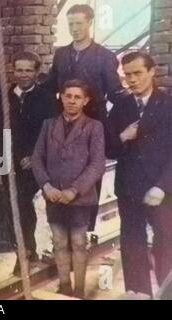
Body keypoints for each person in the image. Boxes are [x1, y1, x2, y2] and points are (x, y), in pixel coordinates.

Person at [42, 4, 125, 230]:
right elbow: (49, 86)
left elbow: (117, 93)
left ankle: (83, 232)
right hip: (64, 126)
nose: (75, 28)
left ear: (90, 22)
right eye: (70, 24)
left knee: (88, 179)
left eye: (79, 23)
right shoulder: (61, 54)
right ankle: (60, 232)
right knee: (61, 174)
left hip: (92, 126)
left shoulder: (105, 56)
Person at [105, 52, 172, 298]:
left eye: (137, 73)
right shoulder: (121, 106)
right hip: (129, 188)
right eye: (127, 75)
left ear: (152, 72)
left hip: (162, 190)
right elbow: (108, 148)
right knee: (132, 242)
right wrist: (122, 137)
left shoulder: (168, 104)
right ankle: (138, 293)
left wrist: (163, 186)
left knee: (166, 242)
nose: (132, 80)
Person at [32, 79, 106, 298]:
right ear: (61, 97)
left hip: (80, 198)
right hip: (54, 196)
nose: (72, 101)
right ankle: (64, 286)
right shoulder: (48, 125)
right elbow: (37, 158)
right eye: (68, 96)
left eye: (77, 97)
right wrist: (46, 186)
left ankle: (79, 291)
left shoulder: (94, 127)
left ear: (85, 100)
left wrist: (74, 190)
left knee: (79, 242)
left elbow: (97, 164)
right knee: (59, 241)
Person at [0, 51, 58, 276]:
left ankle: (37, 251)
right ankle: (24, 252)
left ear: (36, 72)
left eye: (28, 70)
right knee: (13, 208)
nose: (23, 74)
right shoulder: (5, 97)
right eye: (19, 70)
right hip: (10, 164)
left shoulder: (47, 99)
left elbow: (52, 133)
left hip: (37, 165)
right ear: (12, 70)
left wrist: (35, 155)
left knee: (30, 206)